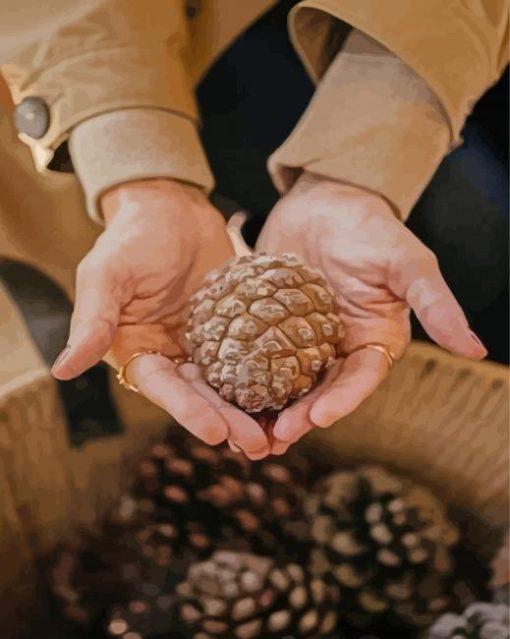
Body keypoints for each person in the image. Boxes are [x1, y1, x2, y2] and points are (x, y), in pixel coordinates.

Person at [0, 0, 507, 459]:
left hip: (350, 28)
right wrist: (140, 175)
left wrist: (364, 160)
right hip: (116, 50)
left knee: (477, 240)